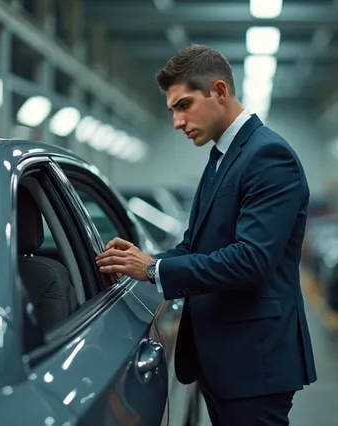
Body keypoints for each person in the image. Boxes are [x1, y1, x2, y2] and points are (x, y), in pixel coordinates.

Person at [95, 44, 317, 426]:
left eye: (184, 105)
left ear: (218, 90)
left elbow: (251, 260)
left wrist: (152, 271)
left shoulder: (268, 156)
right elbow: (194, 247)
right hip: (225, 359)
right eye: (172, 111)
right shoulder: (222, 158)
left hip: (253, 364)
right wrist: (143, 260)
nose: (177, 122)